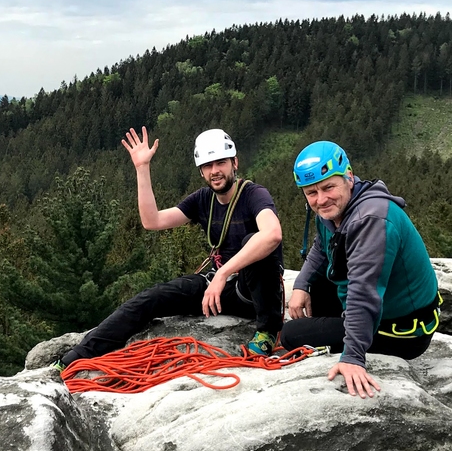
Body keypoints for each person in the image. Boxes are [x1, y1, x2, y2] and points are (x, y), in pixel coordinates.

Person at [56, 127, 285, 370]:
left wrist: (223, 273)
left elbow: (272, 234)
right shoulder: (202, 200)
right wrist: (142, 169)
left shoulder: (253, 194)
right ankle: (74, 358)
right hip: (219, 290)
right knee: (150, 299)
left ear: (234, 163)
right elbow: (152, 221)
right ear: (201, 171)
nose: (215, 171)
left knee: (254, 240)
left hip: (254, 291)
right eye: (208, 165)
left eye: (221, 163)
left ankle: (268, 331)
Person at [282, 141, 440, 399]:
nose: (321, 200)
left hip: (404, 331)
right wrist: (301, 284)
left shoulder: (370, 219)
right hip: (387, 308)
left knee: (291, 335)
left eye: (328, 187)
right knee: (319, 281)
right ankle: (337, 333)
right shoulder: (337, 209)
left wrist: (353, 357)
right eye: (311, 192)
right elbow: (322, 247)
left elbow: (364, 292)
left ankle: (340, 342)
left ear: (349, 178)